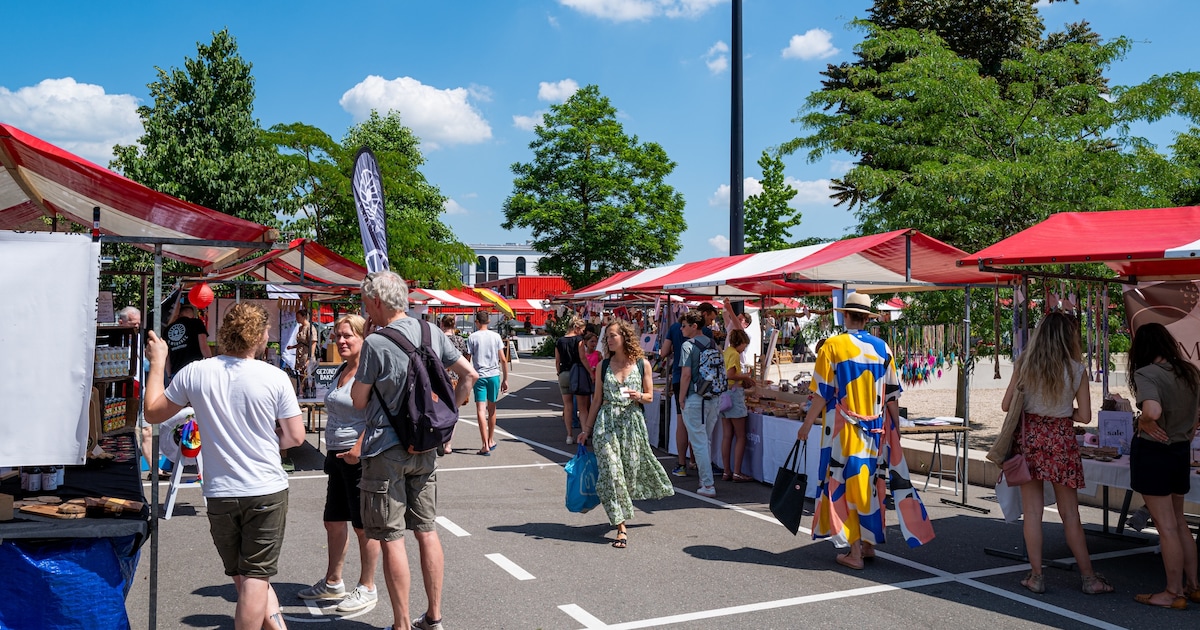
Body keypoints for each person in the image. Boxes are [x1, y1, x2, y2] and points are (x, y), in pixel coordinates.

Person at [144, 302, 305, 630]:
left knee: (245, 578)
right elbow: (294, 437)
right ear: (259, 336)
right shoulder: (274, 377)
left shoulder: (196, 372)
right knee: (256, 578)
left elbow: (153, 413)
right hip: (265, 488)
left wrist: (158, 363)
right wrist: (260, 439)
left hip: (220, 491)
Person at [350, 271, 478, 630]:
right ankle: (433, 617)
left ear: (377, 301)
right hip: (425, 445)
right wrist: (449, 415)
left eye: (366, 303)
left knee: (391, 537)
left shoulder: (376, 342)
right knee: (426, 529)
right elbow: (469, 375)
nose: (365, 310)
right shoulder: (431, 331)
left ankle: (402, 623)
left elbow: (359, 401)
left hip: (385, 448)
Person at [796, 292, 933, 570]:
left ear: (845, 315)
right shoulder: (883, 347)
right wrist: (895, 430)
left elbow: (822, 393)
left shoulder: (832, 347)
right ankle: (869, 545)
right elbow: (893, 396)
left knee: (845, 486)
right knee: (872, 485)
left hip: (842, 431)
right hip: (876, 430)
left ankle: (855, 552)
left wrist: (807, 424)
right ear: (867, 317)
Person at [1000, 310, 1112, 595]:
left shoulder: (1024, 363)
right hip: (1061, 438)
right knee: (1070, 514)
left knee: (1033, 512)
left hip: (1029, 438)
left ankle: (1036, 576)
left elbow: (1006, 405)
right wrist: (1063, 411)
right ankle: (1089, 578)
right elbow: (1085, 416)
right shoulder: (1076, 369)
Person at [295, 314, 382, 613]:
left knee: (363, 526)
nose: (340, 340)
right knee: (333, 520)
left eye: (348, 335)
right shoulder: (342, 369)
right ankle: (333, 582)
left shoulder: (368, 373)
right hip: (336, 455)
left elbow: (377, 417)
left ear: (362, 338)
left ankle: (368, 586)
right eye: (337, 335)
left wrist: (357, 449)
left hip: (359, 458)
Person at [576, 320, 674, 548]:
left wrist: (638, 395)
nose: (608, 340)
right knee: (611, 472)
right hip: (606, 423)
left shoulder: (642, 364)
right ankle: (620, 525)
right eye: (606, 337)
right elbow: (597, 399)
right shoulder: (603, 365)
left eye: (612, 336)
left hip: (632, 424)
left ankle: (622, 510)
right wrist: (586, 430)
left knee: (627, 473)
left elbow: (650, 396)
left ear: (624, 337)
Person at [1127, 323, 1200, 608]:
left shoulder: (1146, 373)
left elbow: (1153, 410)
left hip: (1155, 452)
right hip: (1180, 451)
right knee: (1179, 522)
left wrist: (1144, 421)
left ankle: (1173, 592)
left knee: (1166, 526)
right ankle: (1193, 585)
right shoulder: (1189, 371)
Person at [661, 303, 718, 477]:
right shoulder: (706, 334)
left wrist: (673, 350)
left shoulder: (674, 328)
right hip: (702, 384)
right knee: (699, 427)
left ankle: (681, 464)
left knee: (683, 423)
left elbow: (663, 352)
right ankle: (695, 462)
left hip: (681, 380)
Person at [678, 310, 719, 497]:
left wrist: (681, 397)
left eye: (684, 325)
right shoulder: (712, 342)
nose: (681, 328)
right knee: (705, 440)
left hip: (696, 397)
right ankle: (705, 480)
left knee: (699, 442)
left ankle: (708, 485)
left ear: (694, 326)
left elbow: (686, 375)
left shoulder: (688, 346)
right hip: (713, 397)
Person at [468, 310, 509, 456]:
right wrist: (505, 379)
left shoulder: (472, 337)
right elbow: (503, 359)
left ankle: (484, 443)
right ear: (489, 321)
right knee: (492, 408)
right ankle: (491, 439)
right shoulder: (496, 336)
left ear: (477, 322)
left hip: (479, 375)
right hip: (493, 375)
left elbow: (468, 359)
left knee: (480, 409)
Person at [719, 329, 755, 482]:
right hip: (734, 395)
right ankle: (737, 472)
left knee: (727, 435)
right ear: (741, 343)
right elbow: (730, 374)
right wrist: (746, 376)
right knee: (740, 436)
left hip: (724, 395)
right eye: (744, 346)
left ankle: (727, 471)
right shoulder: (734, 353)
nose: (744, 349)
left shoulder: (726, 351)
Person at [555, 314, 587, 444]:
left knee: (567, 406)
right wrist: (590, 372)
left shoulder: (559, 341)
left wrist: (559, 373)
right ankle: (584, 434)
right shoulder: (579, 340)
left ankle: (569, 435)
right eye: (582, 330)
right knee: (582, 407)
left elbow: (557, 361)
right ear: (577, 328)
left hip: (563, 373)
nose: (583, 332)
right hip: (577, 372)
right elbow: (583, 357)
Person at [440, 315, 469, 454]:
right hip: (457, 379)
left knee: (438, 409)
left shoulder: (439, 338)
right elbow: (466, 357)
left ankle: (438, 440)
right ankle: (448, 444)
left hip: (441, 378)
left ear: (442, 324)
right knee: (454, 411)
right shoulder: (459, 340)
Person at [165, 303, 211, 377]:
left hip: (176, 373)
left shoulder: (168, 329)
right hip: (194, 371)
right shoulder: (196, 323)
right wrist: (210, 363)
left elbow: (167, 355)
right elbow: (203, 346)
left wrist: (169, 375)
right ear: (192, 315)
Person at [287, 309, 318, 395]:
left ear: (304, 317)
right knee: (300, 373)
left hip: (306, 354)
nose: (297, 319)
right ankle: (302, 390)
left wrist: (310, 357)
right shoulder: (300, 328)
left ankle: (309, 392)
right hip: (299, 353)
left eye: (298, 317)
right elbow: (301, 342)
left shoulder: (310, 328)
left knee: (307, 373)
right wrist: (292, 347)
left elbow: (313, 342)